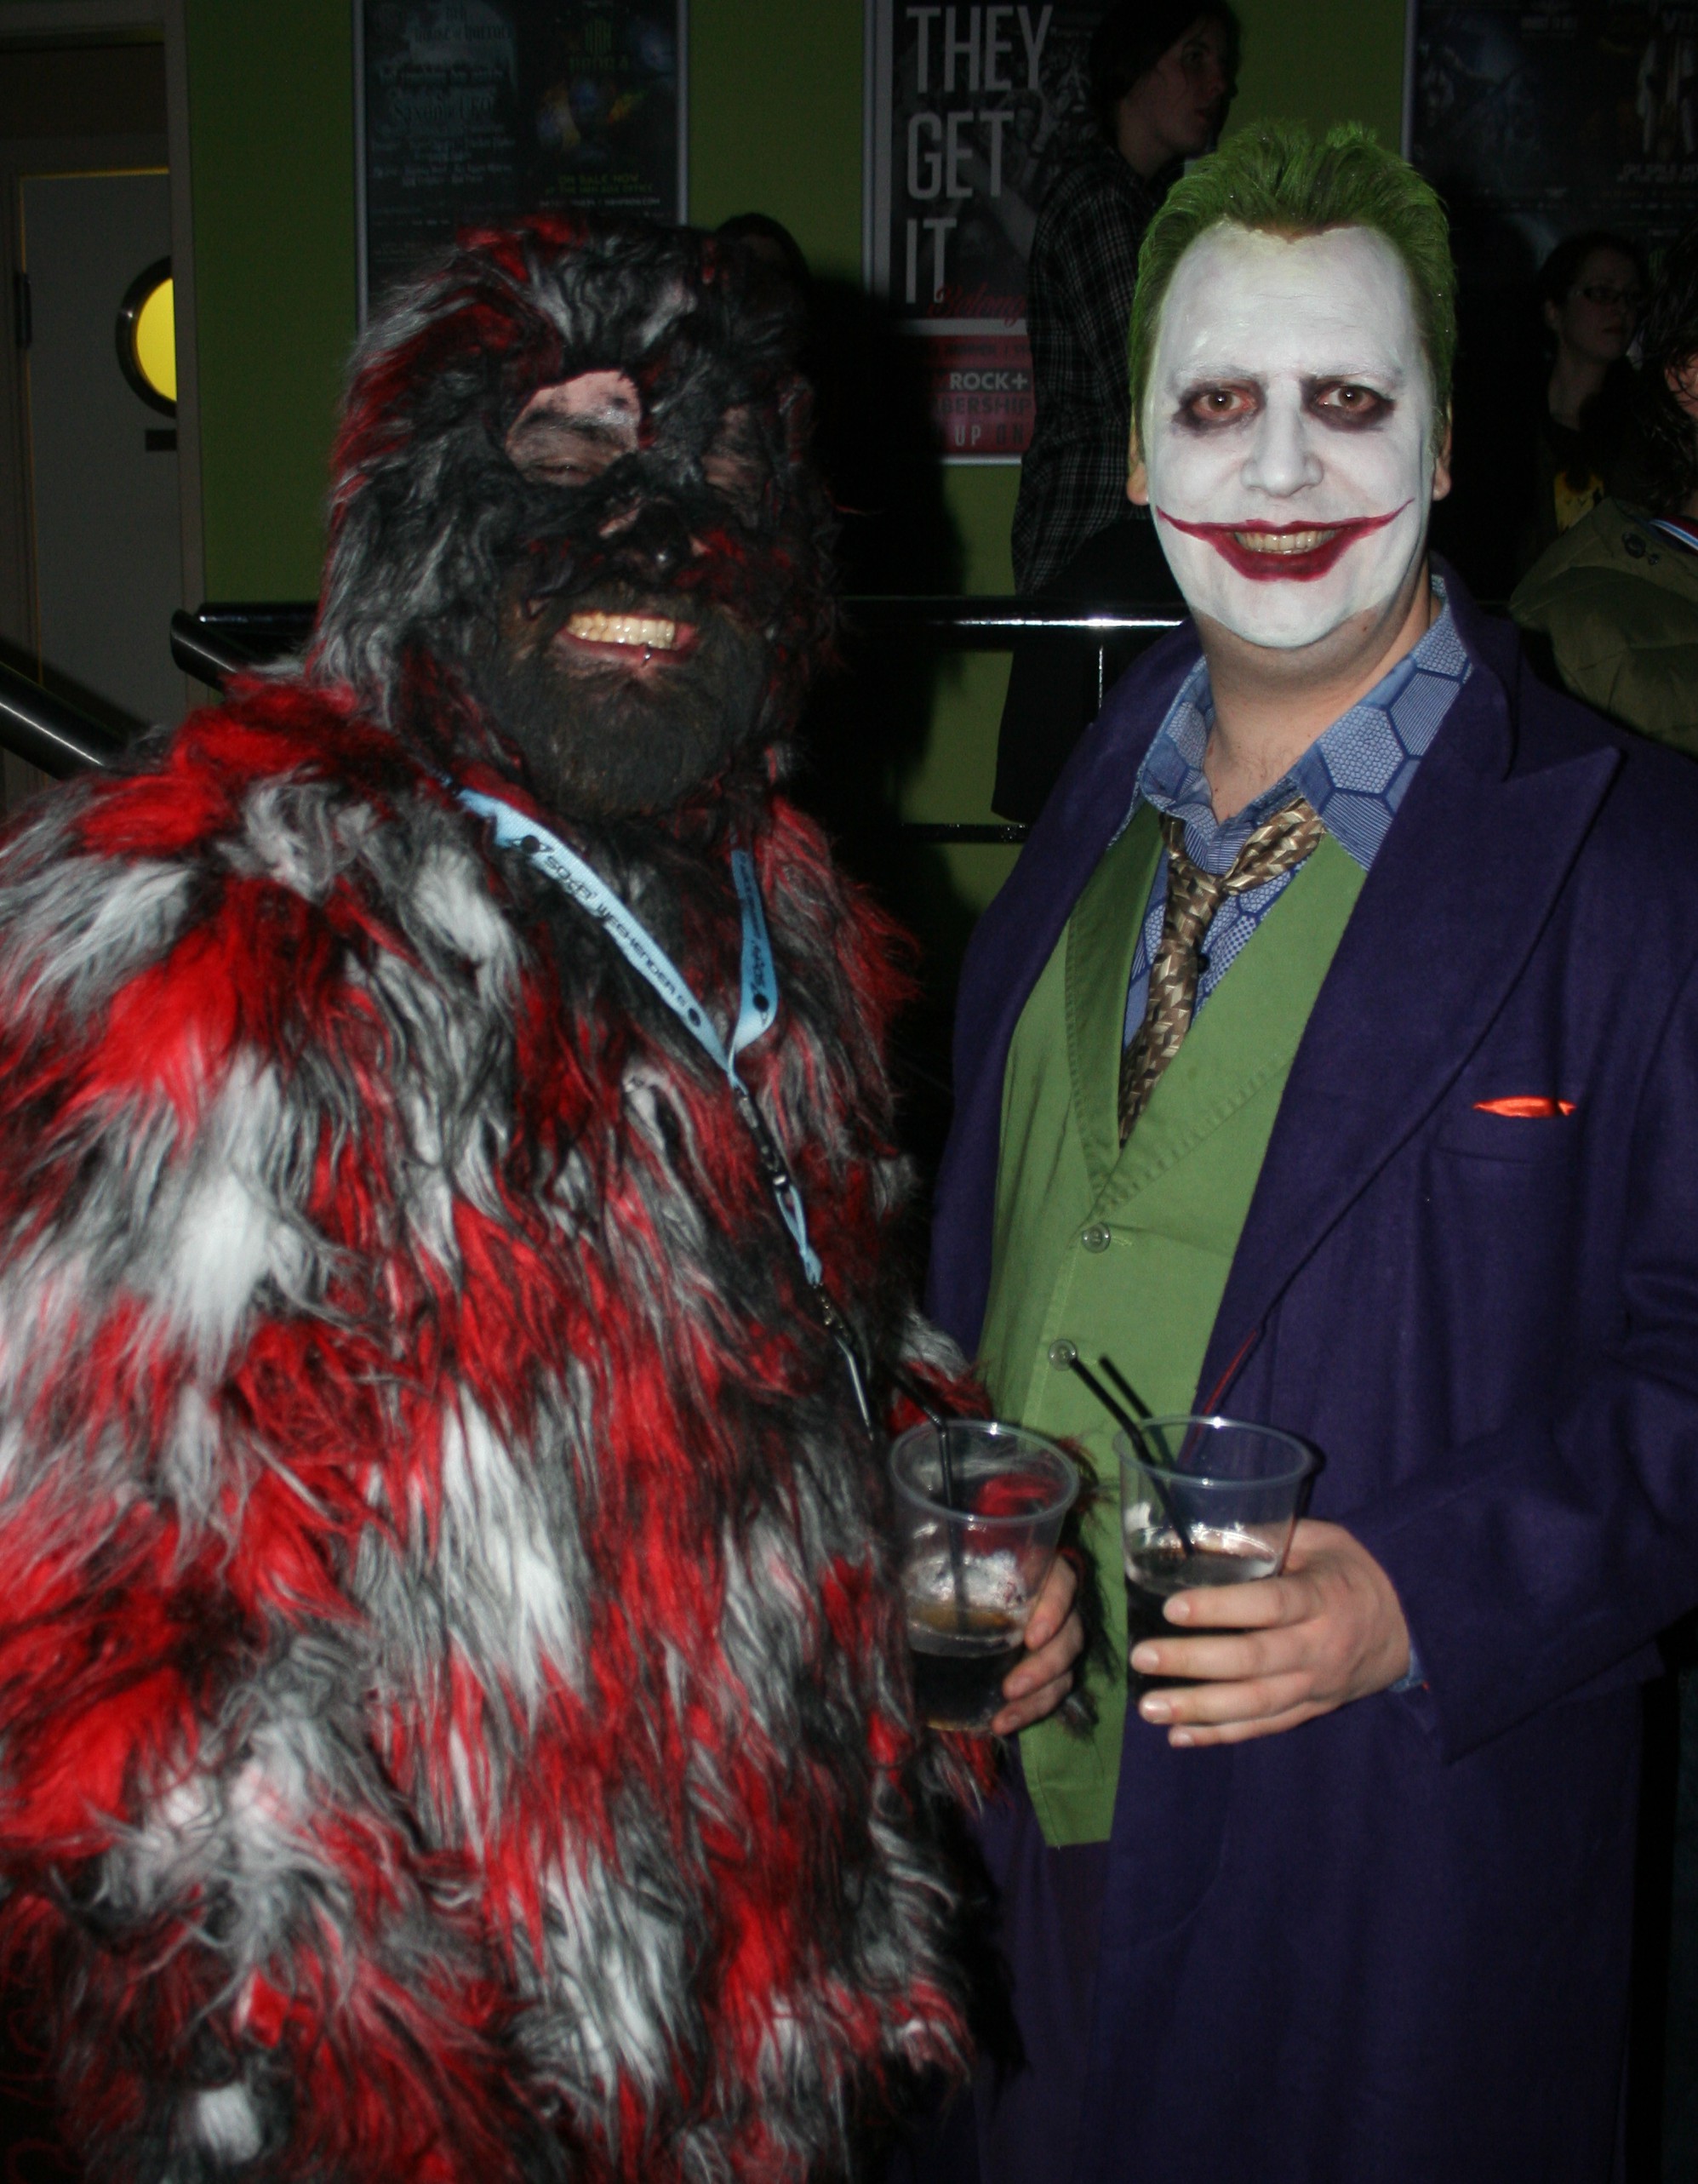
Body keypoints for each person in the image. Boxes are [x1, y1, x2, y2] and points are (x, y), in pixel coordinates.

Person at [0, 215, 1085, 2181]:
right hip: (469, 2080)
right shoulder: (233, 930)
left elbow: (807, 1331)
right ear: (418, 513)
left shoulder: (778, 916)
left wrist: (938, 1521)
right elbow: (126, 1717)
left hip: (755, 2021)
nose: (655, 527)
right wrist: (397, 2120)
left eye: (722, 456)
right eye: (570, 437)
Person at [924, 121, 1698, 2183]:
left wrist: (1417, 1592)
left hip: (1382, 1882)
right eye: (1216, 405)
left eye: (1347, 399)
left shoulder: (1643, 863)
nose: (1278, 469)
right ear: (1137, 455)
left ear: (1446, 445)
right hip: (1018, 1842)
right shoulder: (1082, 811)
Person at [994, 0, 1238, 823]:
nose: (1217, 82)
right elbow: (1158, 385)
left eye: (1219, 62)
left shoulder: (1136, 206)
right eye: (1194, 56)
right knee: (1104, 814)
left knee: (1106, 820)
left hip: (1113, 538)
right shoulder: (1102, 200)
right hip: (1104, 535)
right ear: (1133, 68)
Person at [1512, 223, 1698, 754]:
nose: (1619, 311)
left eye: (1631, 298)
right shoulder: (1504, 427)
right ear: (1554, 311)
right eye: (1601, 294)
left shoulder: (1639, 436)